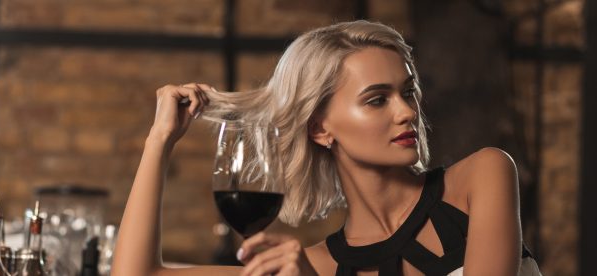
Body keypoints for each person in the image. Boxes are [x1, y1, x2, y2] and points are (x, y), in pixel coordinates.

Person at [111, 20, 541, 276]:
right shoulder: (314, 267)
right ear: (320, 129)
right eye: (377, 99)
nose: (407, 112)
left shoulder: (482, 178)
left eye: (407, 92)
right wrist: (159, 141)